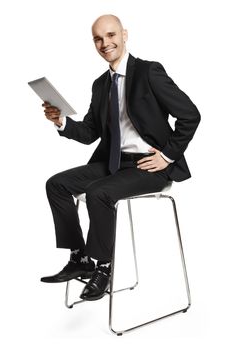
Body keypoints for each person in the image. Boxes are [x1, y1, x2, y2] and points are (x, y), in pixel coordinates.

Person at [41, 14, 200, 301]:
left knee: (98, 193)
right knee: (57, 185)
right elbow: (90, 131)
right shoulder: (101, 84)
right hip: (114, 163)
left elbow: (190, 115)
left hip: (148, 165)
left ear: (124, 35)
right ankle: (80, 259)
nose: (105, 43)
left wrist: (168, 155)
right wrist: (61, 121)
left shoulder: (149, 72)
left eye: (111, 35)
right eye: (98, 39)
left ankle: (104, 267)